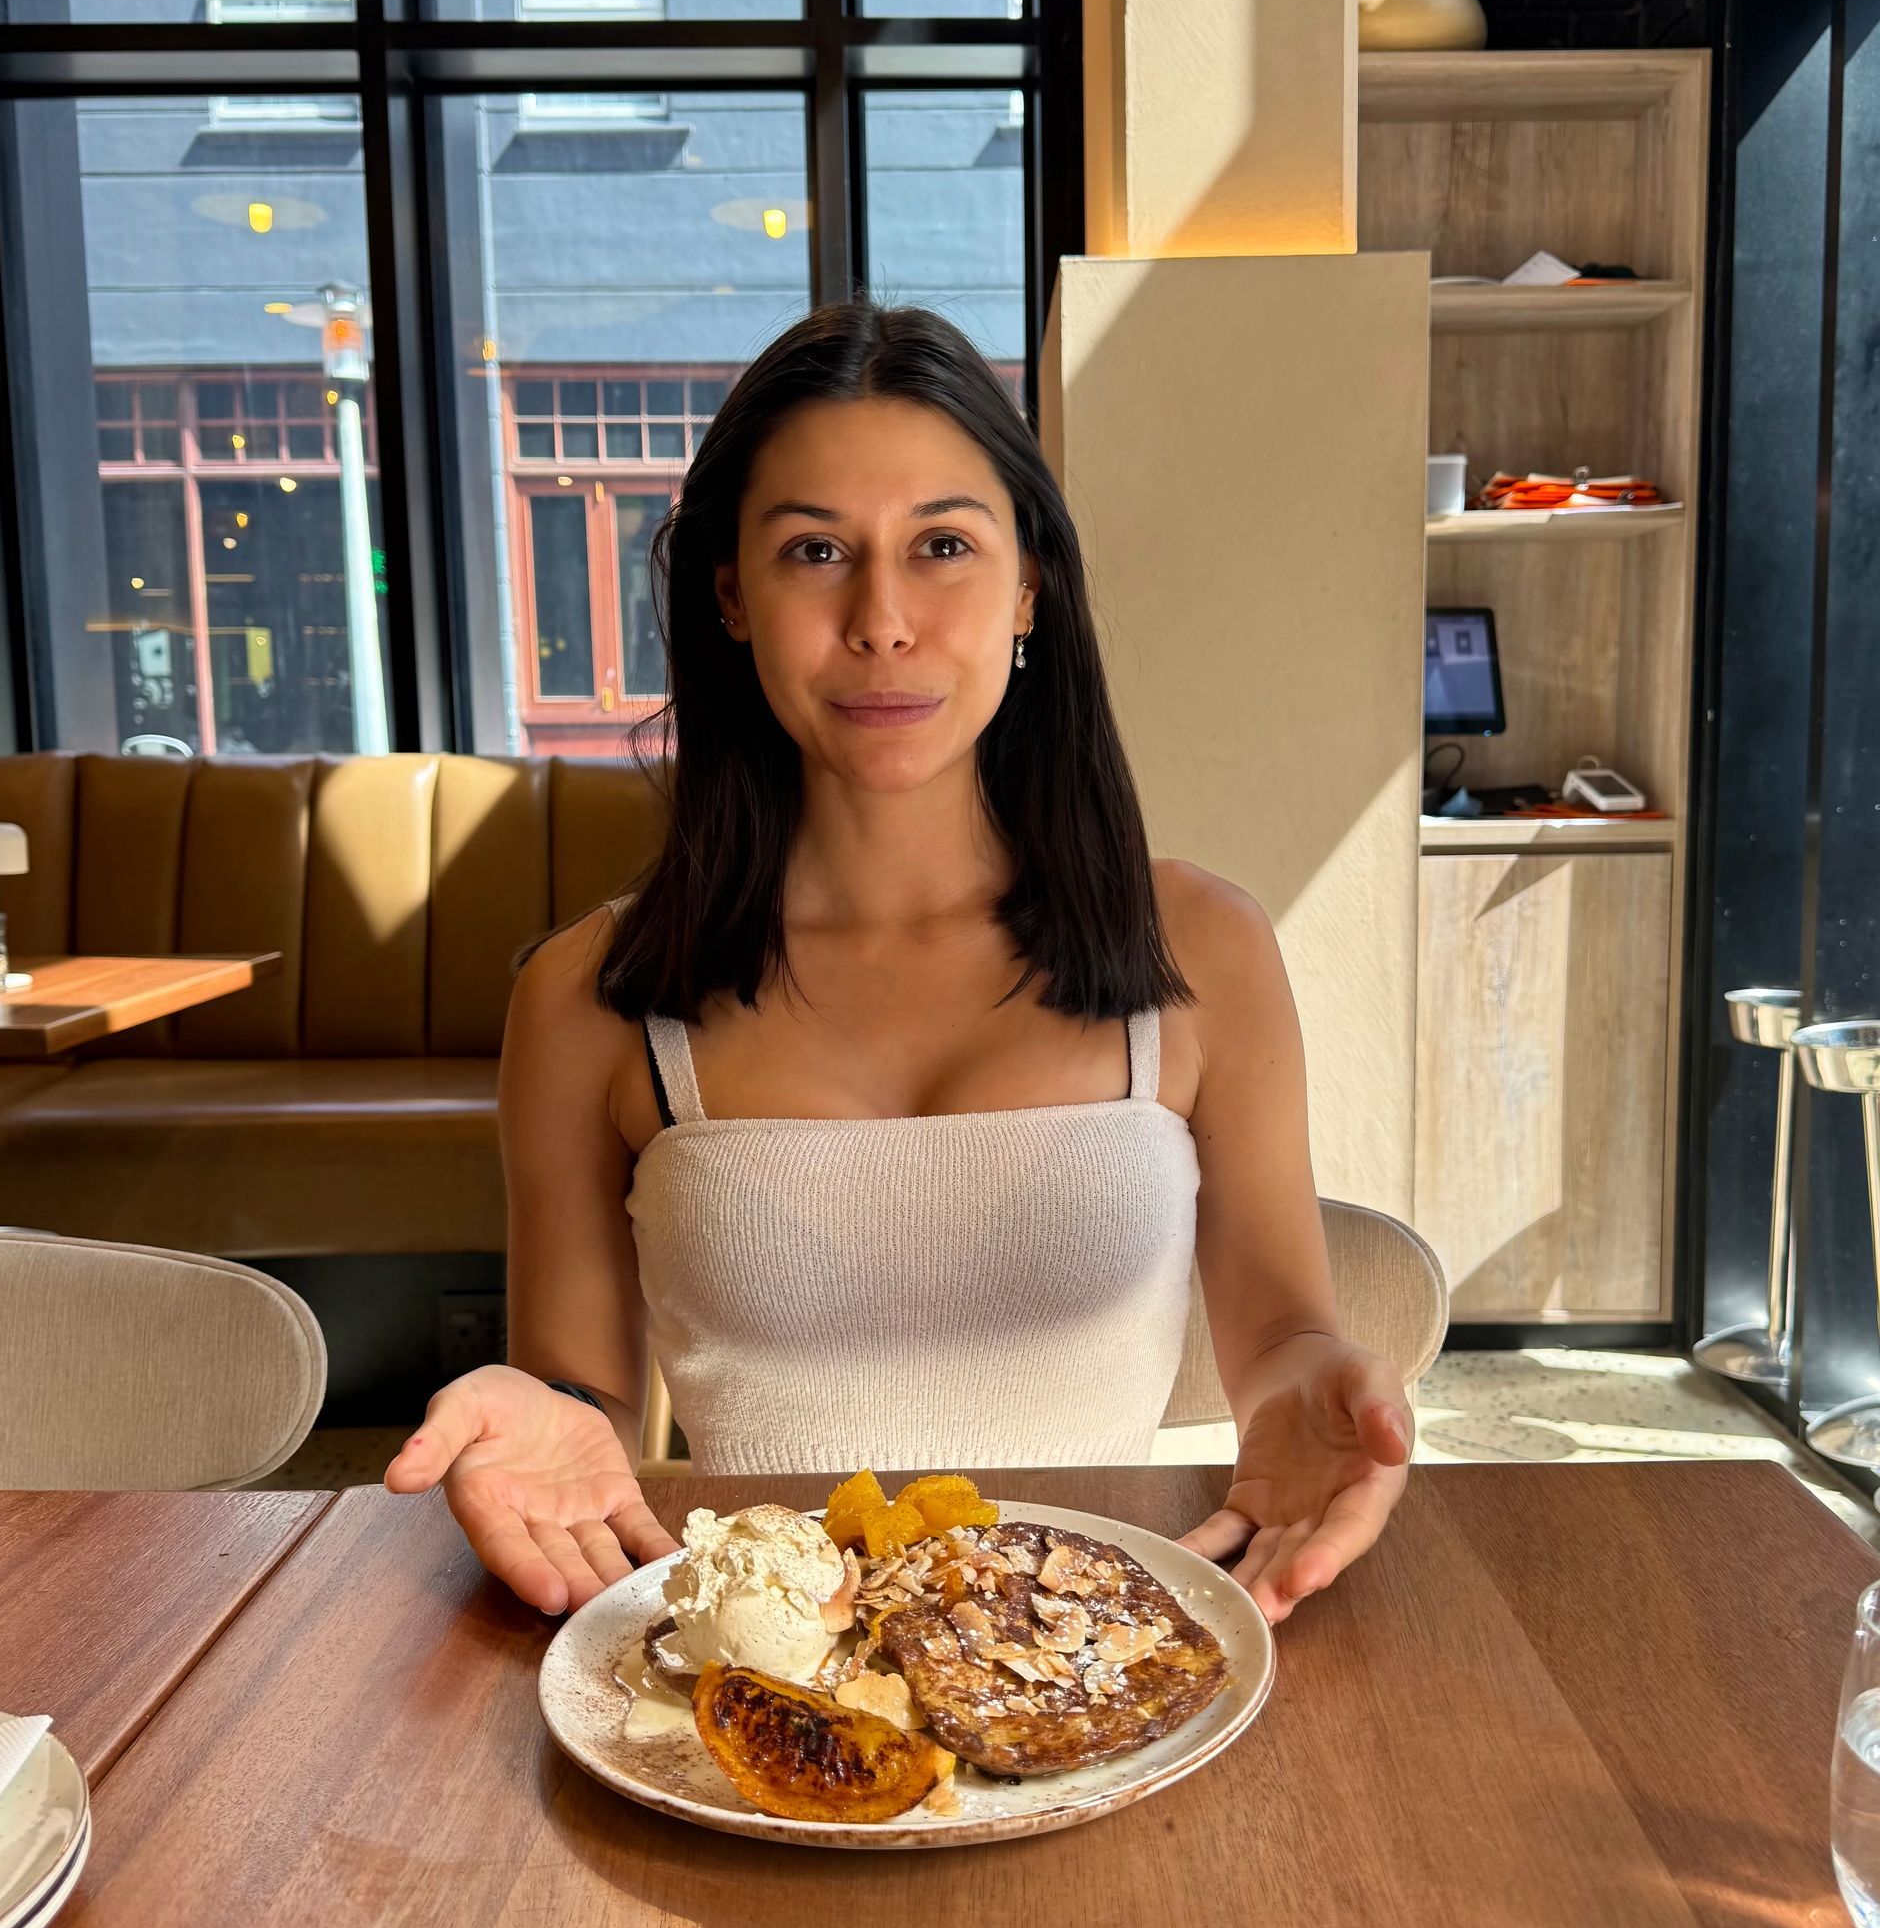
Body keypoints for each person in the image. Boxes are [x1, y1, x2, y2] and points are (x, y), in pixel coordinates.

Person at [385, 300, 1412, 1623]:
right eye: (816, 550)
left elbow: (1279, 1331)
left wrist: (1316, 1382)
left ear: (1030, 581)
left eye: (942, 545)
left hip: (1104, 1665)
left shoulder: (1203, 947)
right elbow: (581, 1400)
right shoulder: (590, 999)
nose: (881, 619)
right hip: (765, 1694)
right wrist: (535, 1409)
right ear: (731, 596)